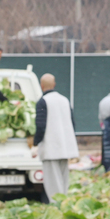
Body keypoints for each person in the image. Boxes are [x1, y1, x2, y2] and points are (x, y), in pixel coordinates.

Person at [33, 73, 78, 202]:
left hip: (51, 147)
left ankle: (56, 206)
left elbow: (41, 125)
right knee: (64, 180)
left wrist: (36, 143)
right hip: (65, 147)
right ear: (54, 84)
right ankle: (64, 204)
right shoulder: (65, 100)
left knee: (53, 182)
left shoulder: (43, 102)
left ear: (41, 86)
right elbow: (72, 123)